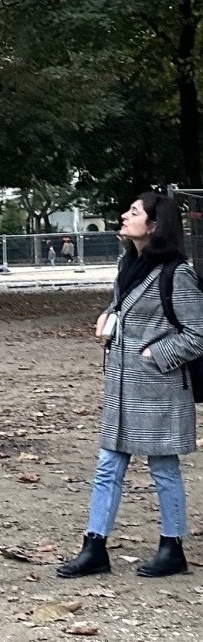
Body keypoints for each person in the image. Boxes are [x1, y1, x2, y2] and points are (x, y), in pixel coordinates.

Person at [58, 191, 203, 580]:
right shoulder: (130, 263)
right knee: (108, 467)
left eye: (134, 212)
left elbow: (197, 333)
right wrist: (107, 318)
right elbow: (122, 305)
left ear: (154, 226)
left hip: (160, 390)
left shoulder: (178, 273)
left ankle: (172, 548)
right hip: (122, 388)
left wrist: (155, 354)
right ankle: (94, 547)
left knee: (164, 469)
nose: (124, 215)